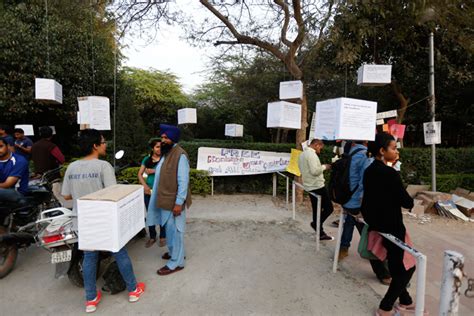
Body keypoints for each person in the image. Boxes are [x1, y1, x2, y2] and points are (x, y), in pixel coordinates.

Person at [61, 129, 145, 313]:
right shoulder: (103, 166)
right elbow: (113, 194)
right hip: (104, 220)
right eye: (103, 141)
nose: (105, 144)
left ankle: (90, 299)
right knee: (119, 252)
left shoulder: (72, 167)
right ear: (95, 145)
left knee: (90, 256)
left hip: (82, 220)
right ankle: (133, 290)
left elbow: (66, 195)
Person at [361, 133, 416, 316]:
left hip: (378, 225)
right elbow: (407, 202)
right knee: (408, 267)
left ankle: (405, 300)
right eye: (393, 148)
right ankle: (385, 307)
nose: (397, 151)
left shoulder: (369, 171)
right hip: (392, 227)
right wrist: (396, 174)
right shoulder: (390, 173)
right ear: (382, 151)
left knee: (396, 264)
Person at [338, 141, 391, 285]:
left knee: (350, 224)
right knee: (371, 236)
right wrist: (364, 207)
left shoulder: (349, 152)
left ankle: (342, 249)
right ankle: (383, 273)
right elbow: (365, 184)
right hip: (358, 203)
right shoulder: (365, 157)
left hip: (348, 200)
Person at [147, 124, 192, 276]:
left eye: (166, 137)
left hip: (174, 202)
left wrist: (179, 203)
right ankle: (176, 253)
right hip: (165, 200)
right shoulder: (167, 153)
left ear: (173, 139)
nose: (162, 140)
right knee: (171, 231)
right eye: (162, 137)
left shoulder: (180, 155)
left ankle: (176, 263)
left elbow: (183, 181)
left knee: (175, 231)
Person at [298, 139, 334, 240]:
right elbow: (315, 171)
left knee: (316, 209)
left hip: (309, 186)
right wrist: (325, 167)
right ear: (317, 145)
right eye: (320, 148)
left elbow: (301, 169)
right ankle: (316, 224)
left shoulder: (302, 154)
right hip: (317, 186)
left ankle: (320, 233)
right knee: (329, 208)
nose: (320, 150)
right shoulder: (311, 155)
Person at [138, 138, 166, 248]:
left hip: (162, 190)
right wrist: (144, 186)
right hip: (148, 191)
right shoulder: (147, 159)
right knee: (150, 214)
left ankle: (163, 236)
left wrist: (155, 170)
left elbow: (169, 172)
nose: (159, 149)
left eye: (161, 147)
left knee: (162, 213)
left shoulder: (165, 158)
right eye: (157, 147)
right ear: (152, 148)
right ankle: (152, 236)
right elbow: (140, 174)